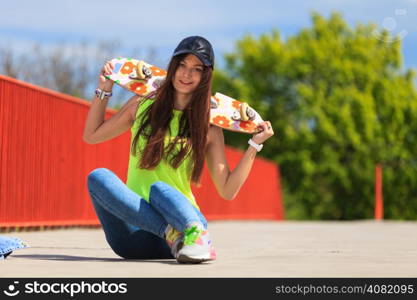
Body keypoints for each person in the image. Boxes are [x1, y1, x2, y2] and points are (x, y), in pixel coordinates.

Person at [83, 36, 274, 264]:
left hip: (186, 229)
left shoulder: (209, 128)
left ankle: (194, 236)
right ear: (172, 67)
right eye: (182, 65)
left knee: (160, 190)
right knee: (98, 177)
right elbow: (92, 135)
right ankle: (170, 234)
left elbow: (227, 190)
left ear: (205, 76)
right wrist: (104, 89)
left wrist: (254, 145)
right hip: (134, 235)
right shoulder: (141, 105)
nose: (186, 74)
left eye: (196, 69)